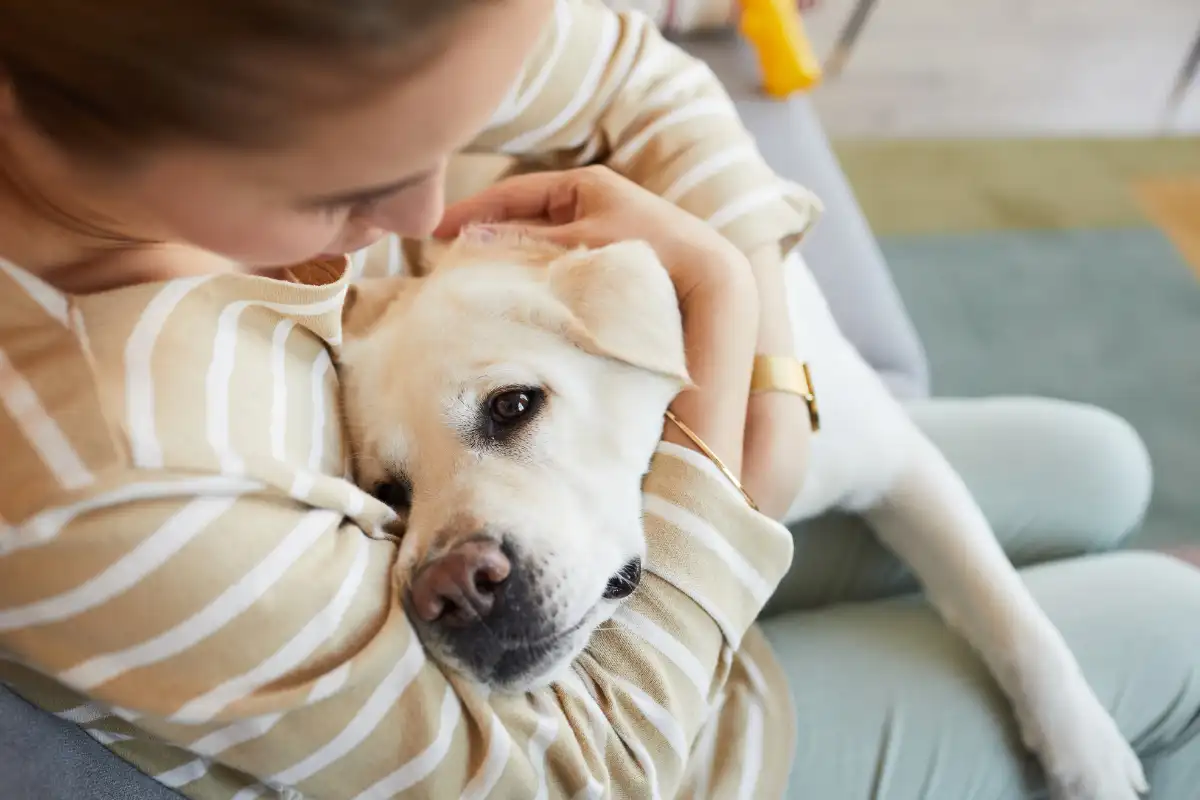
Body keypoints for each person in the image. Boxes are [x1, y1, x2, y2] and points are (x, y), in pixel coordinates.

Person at [0, 2, 1198, 800]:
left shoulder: (384, 35)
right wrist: (724, 324)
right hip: (619, 745)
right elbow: (590, 768)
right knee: (1174, 625)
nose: (428, 219)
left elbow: (639, 76)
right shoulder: (97, 463)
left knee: (1098, 467)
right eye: (347, 186)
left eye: (457, 135)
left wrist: (761, 374)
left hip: (621, 545)